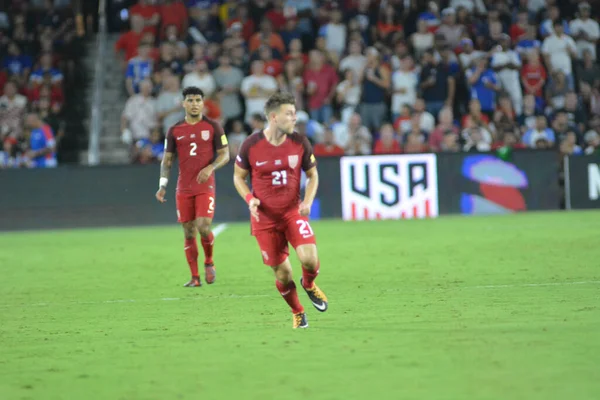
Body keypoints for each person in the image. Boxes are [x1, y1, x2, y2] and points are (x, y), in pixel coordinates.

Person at [233, 92, 328, 329]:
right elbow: (238, 177)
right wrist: (249, 198)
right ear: (274, 117)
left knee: (309, 258)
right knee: (283, 275)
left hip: (292, 212)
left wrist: (307, 201)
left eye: (295, 114)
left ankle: (309, 284)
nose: (294, 118)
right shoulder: (251, 145)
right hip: (264, 220)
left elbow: (313, 174)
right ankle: (298, 311)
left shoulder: (300, 142)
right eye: (290, 114)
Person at [155, 86, 230, 287]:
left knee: (203, 226)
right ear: (183, 103)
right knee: (188, 232)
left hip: (205, 185)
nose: (194, 104)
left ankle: (209, 261)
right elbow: (167, 160)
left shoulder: (213, 127)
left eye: (198, 100)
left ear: (203, 103)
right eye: (190, 100)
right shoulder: (174, 130)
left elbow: (225, 154)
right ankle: (195, 277)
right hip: (184, 188)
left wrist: (211, 168)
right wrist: (163, 185)